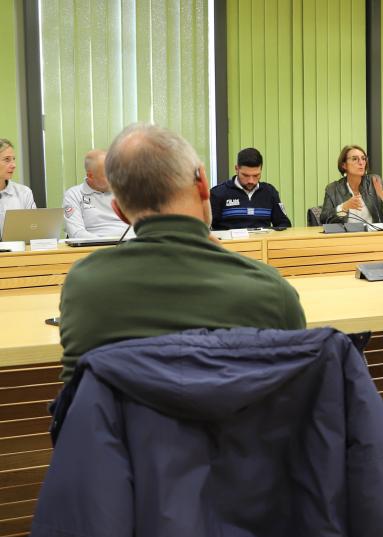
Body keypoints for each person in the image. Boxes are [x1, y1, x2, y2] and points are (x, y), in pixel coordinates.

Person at [58, 124, 306, 384]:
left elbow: (78, 400)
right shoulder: (272, 291)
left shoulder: (83, 287)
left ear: (119, 211)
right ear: (203, 184)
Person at [309, 145, 383, 225]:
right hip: (346, 240)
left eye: (363, 158)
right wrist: (344, 207)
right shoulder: (333, 189)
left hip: (374, 238)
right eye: (355, 159)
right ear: (344, 165)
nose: (361, 162)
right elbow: (324, 219)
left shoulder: (374, 181)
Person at [209, 147, 291, 230]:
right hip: (230, 242)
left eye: (256, 175)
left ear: (261, 170)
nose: (251, 181)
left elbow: (284, 224)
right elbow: (206, 229)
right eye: (245, 175)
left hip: (262, 241)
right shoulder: (218, 193)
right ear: (236, 169)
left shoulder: (270, 192)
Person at [62, 149, 130, 238]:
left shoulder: (126, 191)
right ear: (90, 176)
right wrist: (107, 245)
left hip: (131, 245)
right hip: (94, 247)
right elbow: (76, 233)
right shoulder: (73, 195)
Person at [0, 138, 36, 233]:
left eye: (13, 159)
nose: (13, 165)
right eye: (7, 160)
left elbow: (33, 229)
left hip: (18, 247)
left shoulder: (24, 193)